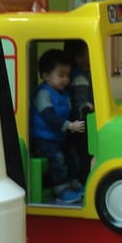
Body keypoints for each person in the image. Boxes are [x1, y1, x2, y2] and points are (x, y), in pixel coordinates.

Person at [30, 48, 85, 204]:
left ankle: (73, 183)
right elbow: (49, 116)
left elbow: (70, 109)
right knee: (58, 158)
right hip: (43, 139)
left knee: (73, 155)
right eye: (61, 75)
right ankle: (60, 190)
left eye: (67, 75)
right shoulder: (43, 93)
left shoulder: (64, 93)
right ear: (46, 75)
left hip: (58, 137)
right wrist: (69, 125)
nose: (65, 79)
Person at [64, 39, 94, 181]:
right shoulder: (80, 76)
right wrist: (88, 106)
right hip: (81, 123)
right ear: (78, 58)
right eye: (88, 51)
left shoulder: (85, 73)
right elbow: (81, 103)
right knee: (84, 153)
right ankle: (82, 179)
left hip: (83, 121)